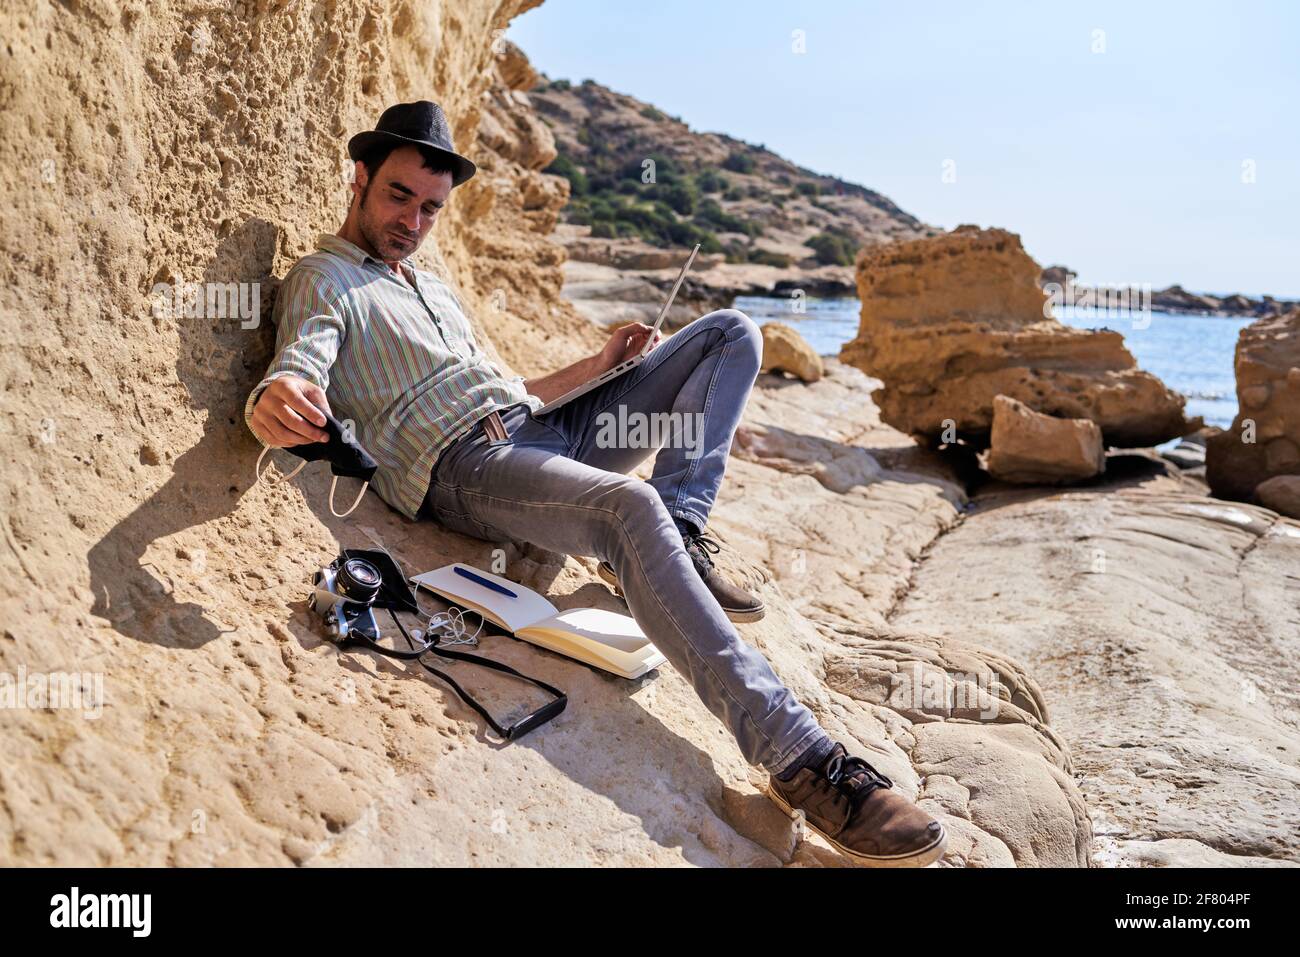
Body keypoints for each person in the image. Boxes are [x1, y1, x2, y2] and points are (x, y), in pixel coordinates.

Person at [246, 101, 946, 866]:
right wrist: (275, 399)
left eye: (432, 207)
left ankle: (677, 532)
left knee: (729, 335)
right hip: (467, 468)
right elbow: (298, 366)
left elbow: (510, 388)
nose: (414, 220)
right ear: (360, 178)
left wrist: (598, 366)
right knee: (626, 503)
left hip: (546, 428)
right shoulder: (326, 277)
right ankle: (803, 760)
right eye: (398, 196)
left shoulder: (432, 286)